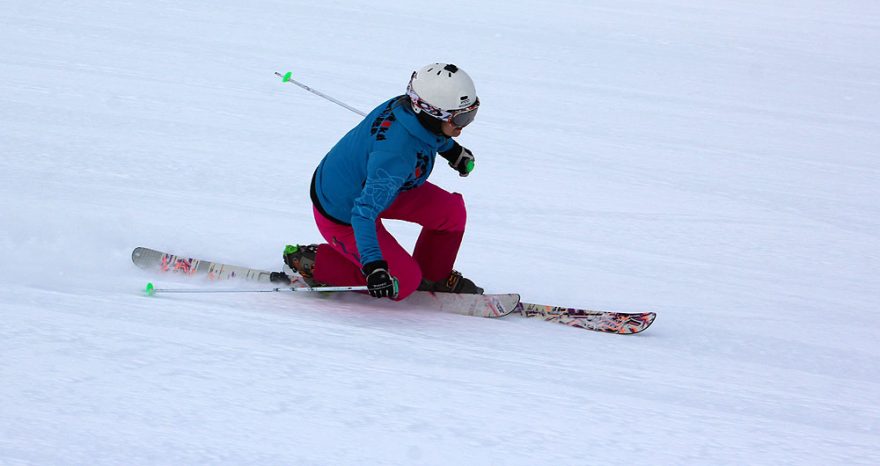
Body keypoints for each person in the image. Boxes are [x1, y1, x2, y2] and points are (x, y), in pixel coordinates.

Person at [282, 63, 483, 300]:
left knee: (451, 212)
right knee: (403, 282)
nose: (462, 128)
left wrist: (451, 150)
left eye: (470, 115)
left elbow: (427, 132)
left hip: (381, 184)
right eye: (460, 119)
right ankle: (312, 262)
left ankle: (433, 276)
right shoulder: (395, 156)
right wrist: (374, 266)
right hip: (343, 211)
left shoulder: (409, 108)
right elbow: (363, 213)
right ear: (431, 112)